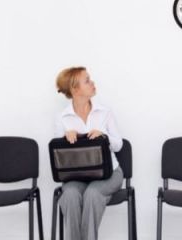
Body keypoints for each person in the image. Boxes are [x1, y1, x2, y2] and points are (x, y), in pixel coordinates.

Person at [54, 66, 124, 240]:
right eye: (87, 81)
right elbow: (59, 158)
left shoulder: (104, 113)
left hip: (109, 174)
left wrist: (104, 136)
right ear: (75, 89)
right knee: (69, 195)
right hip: (77, 176)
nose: (92, 83)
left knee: (93, 194)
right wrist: (64, 138)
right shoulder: (63, 118)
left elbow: (119, 145)